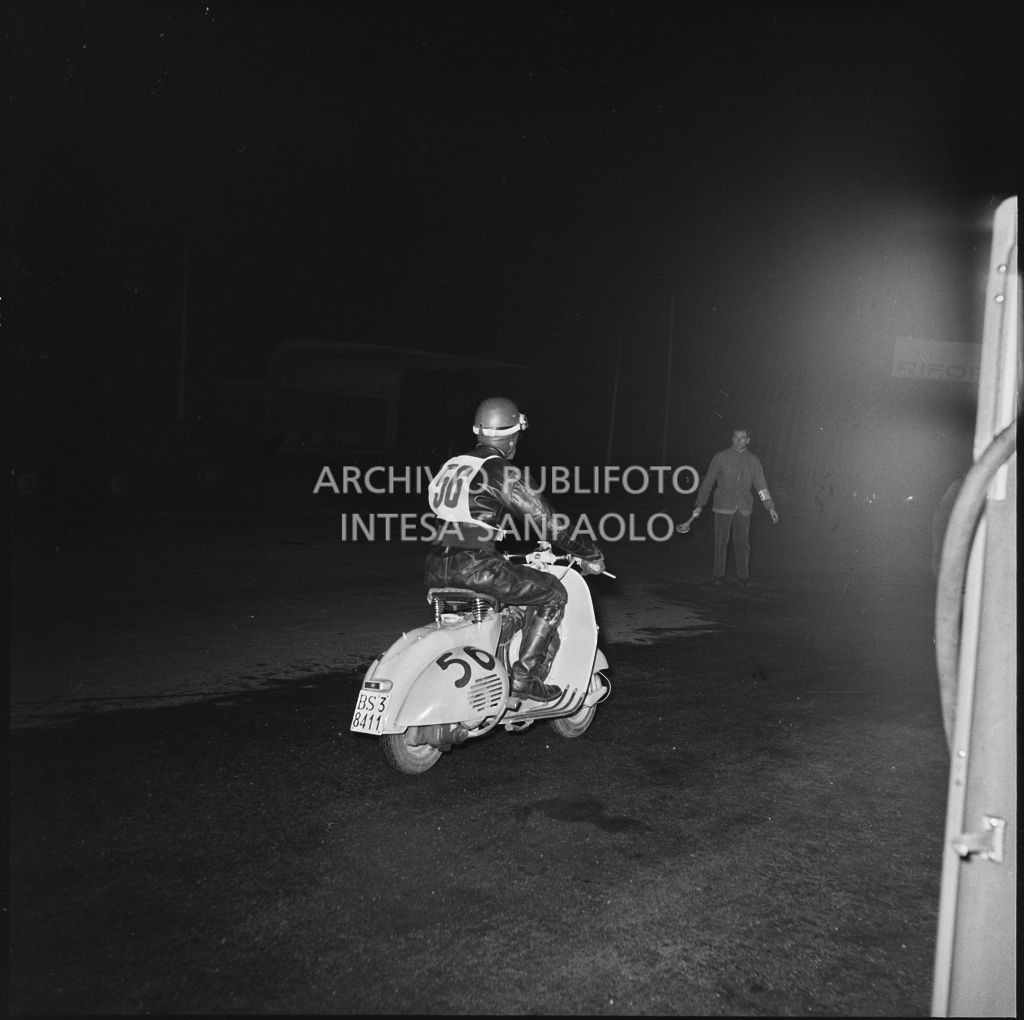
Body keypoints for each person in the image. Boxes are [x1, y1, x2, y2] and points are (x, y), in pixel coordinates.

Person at [425, 396, 605, 702]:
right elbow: (548, 522)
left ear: (479, 431)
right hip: (476, 566)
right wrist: (590, 553)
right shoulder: (501, 470)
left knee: (513, 588)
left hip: (435, 565)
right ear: (512, 438)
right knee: (554, 593)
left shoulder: (453, 465)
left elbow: (459, 517)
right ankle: (524, 676)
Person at [690, 427, 779, 585]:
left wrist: (770, 506)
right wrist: (700, 504)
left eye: (742, 438)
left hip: (743, 507)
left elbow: (761, 486)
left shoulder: (753, 460)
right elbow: (708, 482)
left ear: (748, 440)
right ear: (732, 438)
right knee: (721, 542)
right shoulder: (720, 457)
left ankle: (743, 577)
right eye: (736, 437)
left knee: (742, 543)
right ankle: (718, 576)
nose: (739, 441)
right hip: (722, 505)